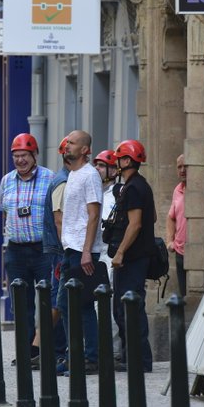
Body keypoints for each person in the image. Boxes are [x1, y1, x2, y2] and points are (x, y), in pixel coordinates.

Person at [0, 133, 54, 365]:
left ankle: (48, 350)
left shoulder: (50, 178)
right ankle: (25, 353)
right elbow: (5, 212)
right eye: (16, 156)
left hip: (44, 249)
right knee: (21, 303)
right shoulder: (6, 181)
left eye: (24, 155)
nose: (20, 160)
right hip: (16, 250)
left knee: (48, 300)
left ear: (34, 155)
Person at [55, 130, 104, 375]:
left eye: (72, 143)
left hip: (82, 251)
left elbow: (94, 216)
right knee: (65, 304)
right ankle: (74, 355)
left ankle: (90, 358)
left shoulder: (90, 175)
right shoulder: (73, 175)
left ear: (85, 150)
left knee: (81, 306)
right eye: (67, 142)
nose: (67, 146)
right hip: (70, 249)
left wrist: (87, 252)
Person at [106, 139, 156, 373]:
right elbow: (149, 219)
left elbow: (135, 225)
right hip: (132, 257)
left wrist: (120, 252)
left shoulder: (135, 187)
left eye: (119, 159)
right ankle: (129, 356)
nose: (116, 164)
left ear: (127, 160)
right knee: (122, 308)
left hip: (132, 258)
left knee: (130, 307)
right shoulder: (136, 185)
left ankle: (140, 360)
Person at [42, 136, 70, 364]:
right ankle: (44, 347)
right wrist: (66, 249)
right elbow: (59, 220)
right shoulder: (63, 182)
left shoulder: (64, 179)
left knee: (58, 298)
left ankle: (48, 347)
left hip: (57, 248)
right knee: (58, 300)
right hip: (60, 249)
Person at [94, 149, 121, 357]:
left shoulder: (116, 195)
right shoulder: (95, 192)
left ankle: (112, 351)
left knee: (109, 304)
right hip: (94, 254)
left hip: (109, 254)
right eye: (97, 165)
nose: (98, 169)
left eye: (102, 166)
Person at [166, 153, 188, 299]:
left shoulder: (198, 190)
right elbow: (170, 217)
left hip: (195, 251)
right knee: (184, 295)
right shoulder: (177, 190)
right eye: (179, 167)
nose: (182, 170)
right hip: (180, 251)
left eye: (185, 166)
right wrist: (170, 241)